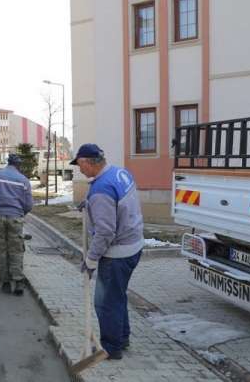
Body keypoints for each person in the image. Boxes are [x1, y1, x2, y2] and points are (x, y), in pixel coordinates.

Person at [72, 143, 144, 360]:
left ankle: (111, 348)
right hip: (134, 245)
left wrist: (91, 259)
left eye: (80, 165)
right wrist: (89, 204)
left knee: (105, 302)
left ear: (87, 162)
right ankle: (122, 337)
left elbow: (105, 232)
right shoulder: (118, 172)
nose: (79, 169)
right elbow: (114, 202)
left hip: (117, 254)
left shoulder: (101, 190)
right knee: (117, 295)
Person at [0, 153, 33, 295]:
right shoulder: (24, 180)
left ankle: (6, 282)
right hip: (15, 218)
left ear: (8, 163)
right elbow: (28, 204)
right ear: (18, 165)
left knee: (0, 249)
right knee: (16, 249)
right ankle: (19, 281)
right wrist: (20, 214)